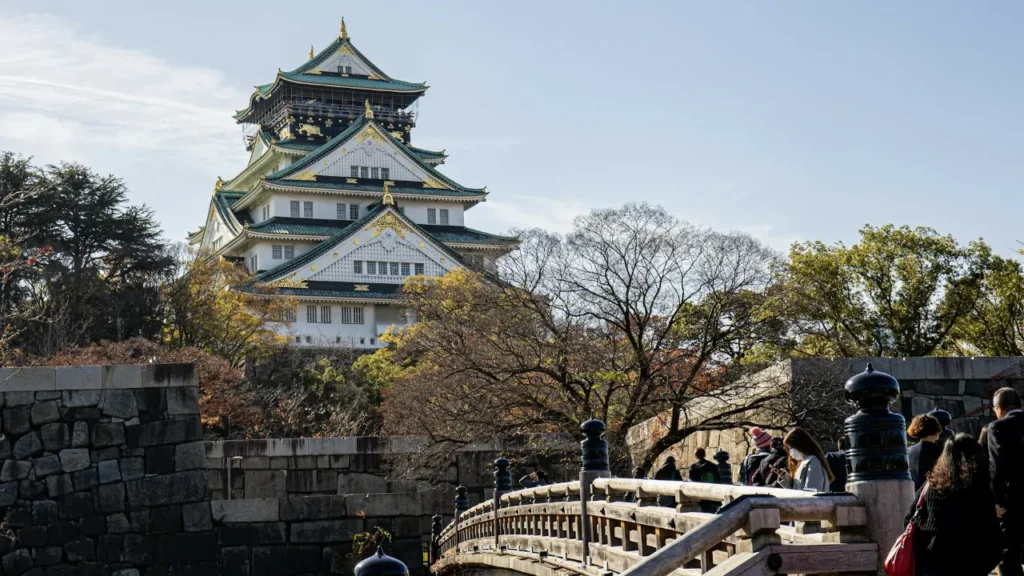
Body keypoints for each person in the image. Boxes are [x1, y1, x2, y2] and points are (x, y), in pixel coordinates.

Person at [905, 433, 1002, 576]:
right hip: (970, 564)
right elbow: (992, 533)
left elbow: (910, 517)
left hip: (931, 564)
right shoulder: (978, 489)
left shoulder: (931, 485)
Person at [987, 387, 1024, 576]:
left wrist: (996, 501)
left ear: (999, 408)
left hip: (1014, 499)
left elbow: (997, 467)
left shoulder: (998, 427)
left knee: (1009, 553)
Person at [779, 428, 833, 492]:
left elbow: (812, 492)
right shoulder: (803, 462)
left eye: (791, 448)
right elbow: (796, 488)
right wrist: (785, 478)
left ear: (799, 445)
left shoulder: (813, 462)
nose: (790, 452)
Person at [908, 414, 943, 491]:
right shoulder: (939, 451)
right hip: (931, 493)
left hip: (912, 492)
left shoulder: (909, 451)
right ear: (936, 430)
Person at [688, 449, 722, 513]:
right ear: (705, 455)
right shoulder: (713, 466)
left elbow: (691, 482)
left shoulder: (693, 468)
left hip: (699, 498)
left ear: (695, 456)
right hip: (712, 496)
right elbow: (718, 481)